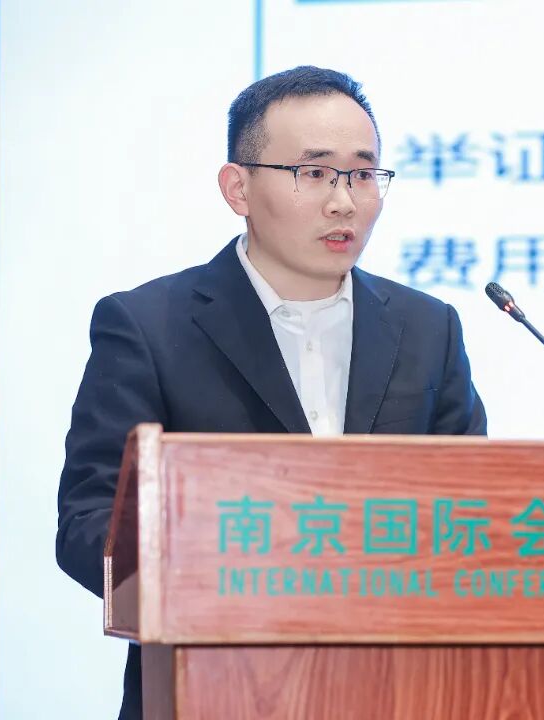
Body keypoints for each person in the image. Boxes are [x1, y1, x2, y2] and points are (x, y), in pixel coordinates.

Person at [55, 65, 487, 719]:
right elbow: (90, 524)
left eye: (363, 174)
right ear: (239, 188)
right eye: (314, 173)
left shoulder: (429, 328)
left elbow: (472, 512)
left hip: (398, 694)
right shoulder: (148, 327)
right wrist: (220, 578)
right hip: (210, 690)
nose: (344, 202)